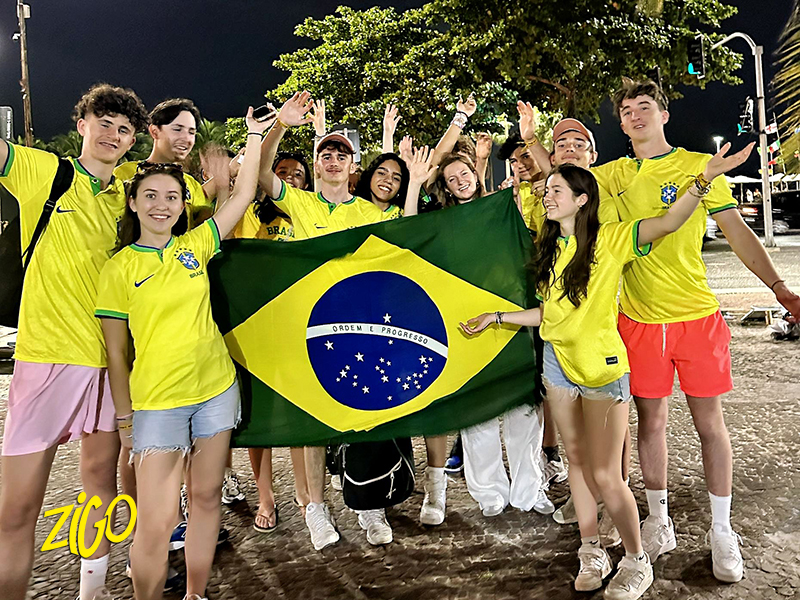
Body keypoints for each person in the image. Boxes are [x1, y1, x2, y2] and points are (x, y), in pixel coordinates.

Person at [462, 144, 752, 598]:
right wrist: (497, 319)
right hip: (559, 365)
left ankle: (637, 559)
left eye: (556, 189)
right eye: (545, 190)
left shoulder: (612, 238)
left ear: (582, 199)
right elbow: (550, 315)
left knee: (605, 474)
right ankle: (590, 547)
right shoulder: (549, 248)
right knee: (576, 465)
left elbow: (669, 221)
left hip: (603, 368)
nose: (546, 195)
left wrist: (701, 181)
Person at [595, 78, 800, 582]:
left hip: (697, 319)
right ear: (620, 123)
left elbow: (738, 234)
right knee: (652, 425)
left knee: (711, 426)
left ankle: (722, 530)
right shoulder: (610, 175)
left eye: (645, 106)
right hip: (638, 320)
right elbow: (557, 188)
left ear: (663, 115)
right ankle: (659, 521)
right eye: (626, 110)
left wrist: (779, 287)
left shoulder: (696, 167)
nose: (635, 115)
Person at [95, 107, 271, 600]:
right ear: (133, 203)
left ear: (181, 205)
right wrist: (125, 419)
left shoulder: (196, 244)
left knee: (206, 498)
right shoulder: (118, 269)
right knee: (155, 521)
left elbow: (241, 196)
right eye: (150, 196)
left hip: (215, 391)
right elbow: (115, 353)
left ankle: (195, 593)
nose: (161, 205)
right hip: (158, 404)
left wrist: (255, 135)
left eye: (171, 197)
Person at [0, 83, 149, 600]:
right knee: (16, 508)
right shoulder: (46, 171)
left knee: (100, 488)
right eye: (104, 122)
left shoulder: (133, 189)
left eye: (124, 129)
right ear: (81, 124)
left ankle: (93, 591)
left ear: (133, 141)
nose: (113, 134)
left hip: (113, 363)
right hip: (47, 359)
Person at [257, 91, 403, 551]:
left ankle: (369, 505)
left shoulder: (369, 212)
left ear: (353, 165)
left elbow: (405, 246)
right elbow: (262, 174)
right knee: (313, 427)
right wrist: (279, 125)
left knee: (364, 415)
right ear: (317, 165)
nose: (333, 158)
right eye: (326, 153)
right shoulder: (298, 203)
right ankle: (315, 510)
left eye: (342, 153)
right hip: (309, 330)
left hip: (359, 331)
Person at [407, 146, 552, 518]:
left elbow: (523, 246)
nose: (460, 182)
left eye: (465, 174)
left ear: (476, 173)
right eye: (452, 179)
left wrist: (515, 203)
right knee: (477, 414)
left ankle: (529, 489)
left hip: (510, 316)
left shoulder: (501, 207)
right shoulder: (442, 221)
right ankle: (489, 493)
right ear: (447, 187)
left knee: (523, 409)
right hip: (466, 323)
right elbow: (410, 232)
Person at [515, 107, 629, 543]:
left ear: (593, 152)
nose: (568, 149)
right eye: (560, 143)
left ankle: (612, 500)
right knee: (581, 438)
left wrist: (535, 142)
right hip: (562, 333)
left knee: (612, 432)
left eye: (577, 143)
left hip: (603, 328)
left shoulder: (600, 193)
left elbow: (562, 178)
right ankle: (592, 502)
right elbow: (554, 181)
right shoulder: (553, 196)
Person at [232, 149, 313, 531]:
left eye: (298, 173)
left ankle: (303, 494)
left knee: (298, 413)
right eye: (283, 172)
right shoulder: (246, 211)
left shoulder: (308, 213)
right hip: (254, 329)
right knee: (258, 419)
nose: (291, 177)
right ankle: (266, 497)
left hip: (298, 327)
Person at [115, 98, 216, 229]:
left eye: (191, 132)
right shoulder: (124, 173)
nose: (186, 138)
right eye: (177, 129)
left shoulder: (191, 185)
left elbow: (205, 230)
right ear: (154, 131)